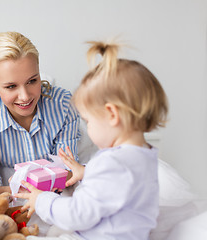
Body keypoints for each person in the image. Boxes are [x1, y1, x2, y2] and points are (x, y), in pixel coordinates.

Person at [15, 41, 169, 240]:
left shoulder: (111, 162)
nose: (88, 127)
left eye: (88, 121)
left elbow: (77, 214)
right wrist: (86, 172)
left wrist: (42, 200)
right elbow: (117, 188)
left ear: (112, 114)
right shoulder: (144, 155)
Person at [0, 32, 80, 196]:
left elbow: (68, 172)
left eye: (32, 81)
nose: (25, 96)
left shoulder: (63, 106)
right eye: (11, 86)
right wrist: (24, 189)